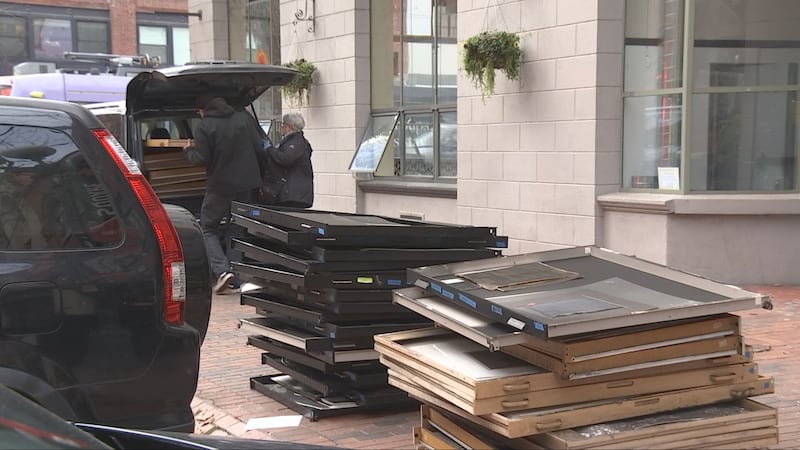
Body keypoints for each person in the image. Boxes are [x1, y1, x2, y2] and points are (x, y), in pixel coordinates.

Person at [183, 95, 264, 294]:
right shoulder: (243, 119)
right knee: (237, 229)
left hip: (220, 186)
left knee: (208, 228)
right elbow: (260, 147)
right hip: (246, 184)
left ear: (203, 110)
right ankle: (236, 278)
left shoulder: (205, 126)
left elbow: (203, 157)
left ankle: (221, 271)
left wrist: (188, 150)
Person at [265, 112, 314, 208]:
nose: (281, 128)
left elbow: (285, 159)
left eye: (283, 125)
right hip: (294, 194)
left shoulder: (296, 142)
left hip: (295, 195)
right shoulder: (293, 142)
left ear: (289, 127)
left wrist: (270, 149)